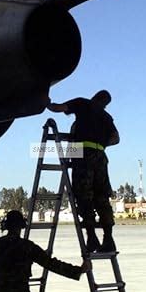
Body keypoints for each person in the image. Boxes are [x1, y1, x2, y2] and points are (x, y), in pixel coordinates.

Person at [48, 90, 120, 253]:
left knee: (83, 196)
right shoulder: (106, 117)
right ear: (106, 104)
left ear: (94, 96)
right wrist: (99, 142)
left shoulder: (82, 103)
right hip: (100, 157)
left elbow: (58, 108)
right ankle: (108, 239)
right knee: (102, 198)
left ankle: (92, 238)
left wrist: (44, 102)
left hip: (82, 154)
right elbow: (116, 138)